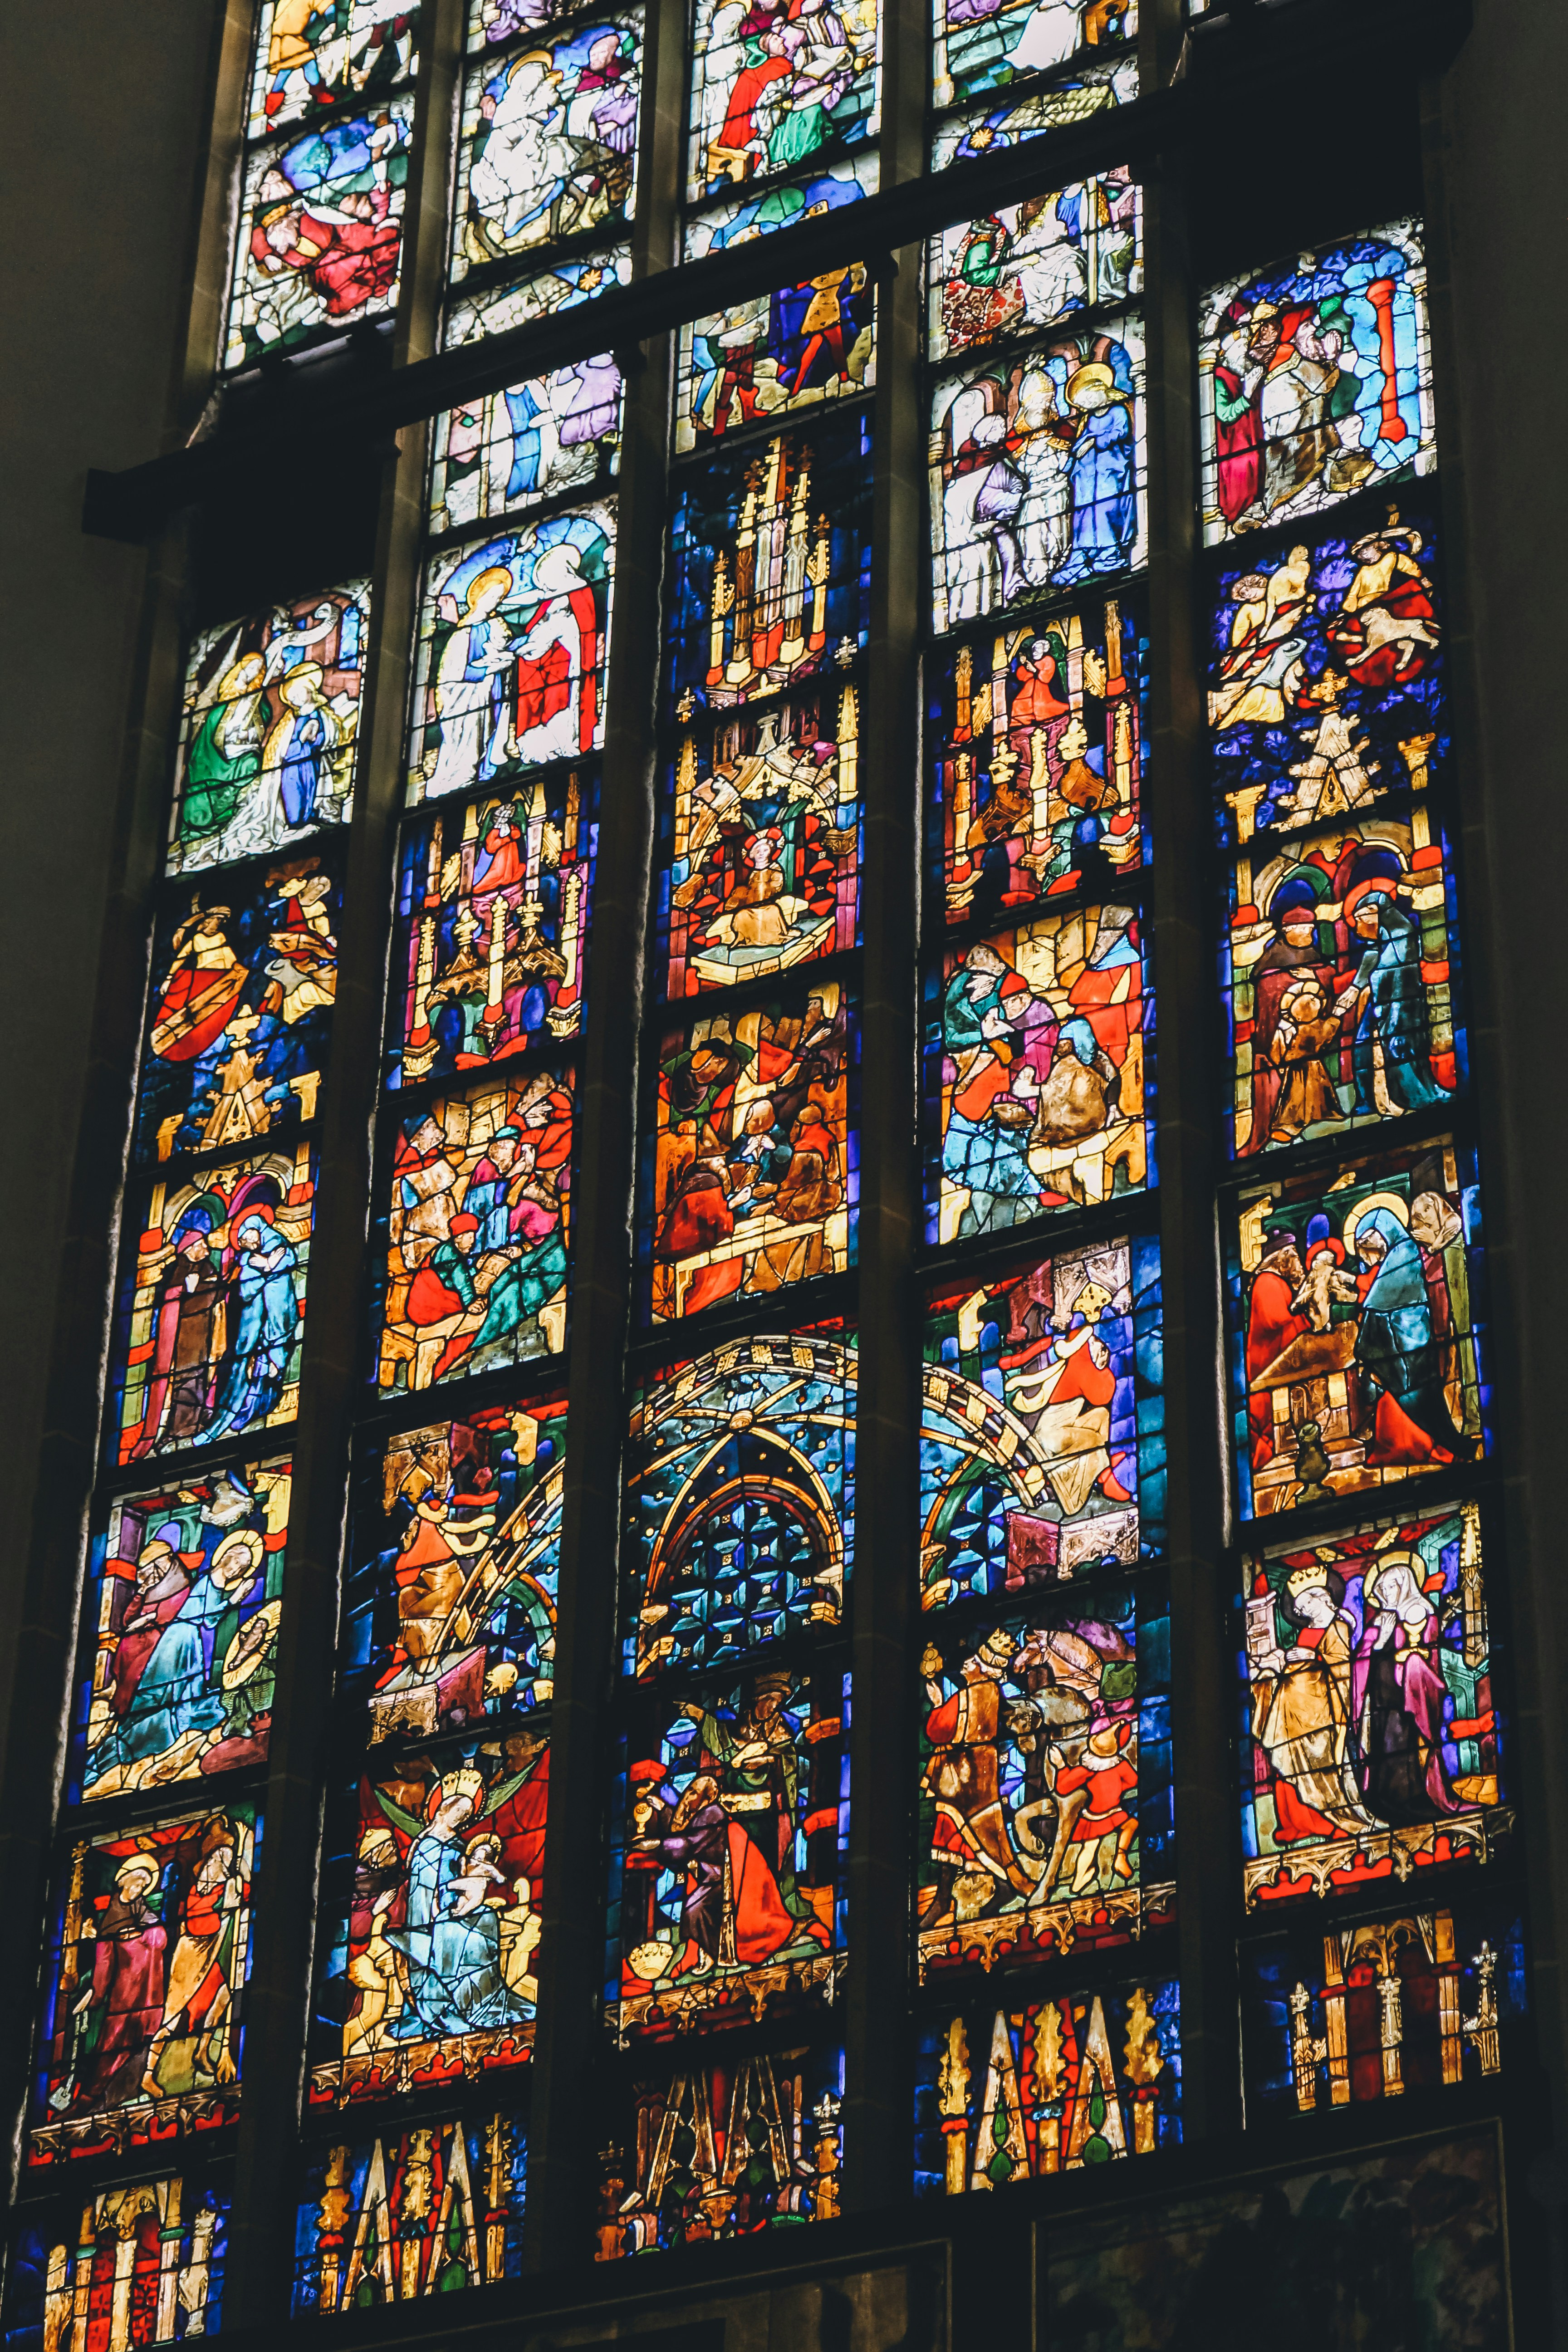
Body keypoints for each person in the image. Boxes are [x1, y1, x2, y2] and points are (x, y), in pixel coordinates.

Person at [1252, 1570, 1376, 1841]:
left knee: (1319, 1766)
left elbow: (1344, 1670)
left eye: (1307, 1602)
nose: (1305, 1611)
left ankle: (1326, 1822)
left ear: (1323, 1597)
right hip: (1293, 1713)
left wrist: (1314, 1655)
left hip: (1323, 1714)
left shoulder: (1339, 1627)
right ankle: (1294, 1823)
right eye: (1300, 1608)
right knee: (1287, 1761)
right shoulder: (1307, 1632)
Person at [1352, 1205, 1466, 1466]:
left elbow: (1379, 1303)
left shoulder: (1404, 1252)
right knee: (1418, 1402)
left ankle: (1446, 1447)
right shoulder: (1396, 1254)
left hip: (1411, 1339)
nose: (1373, 1251)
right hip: (1400, 1341)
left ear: (1384, 1230)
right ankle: (1444, 1446)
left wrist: (1367, 1340)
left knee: (1422, 1400)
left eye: (1371, 1241)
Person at [1351, 1554, 1460, 1823]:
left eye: (1392, 1586)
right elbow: (1361, 1662)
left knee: (1409, 1745)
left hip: (1412, 1699)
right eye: (1382, 1588)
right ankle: (1385, 1800)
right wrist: (1381, 1642)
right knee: (1386, 1747)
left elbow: (1431, 1656)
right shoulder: (1380, 1621)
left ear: (1407, 1584)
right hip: (1383, 1701)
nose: (1387, 1593)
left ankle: (1417, 1796)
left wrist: (1411, 1662)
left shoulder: (1426, 1614)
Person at [142, 1821, 246, 2097]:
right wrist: (231, 1890)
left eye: (226, 1860)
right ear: (208, 1862)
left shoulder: (223, 1887)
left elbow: (245, 1894)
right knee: (172, 2015)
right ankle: (148, 2074)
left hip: (210, 1952)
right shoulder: (197, 1893)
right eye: (218, 1859)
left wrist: (239, 1879)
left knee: (224, 1996)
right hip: (191, 1955)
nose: (222, 1864)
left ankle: (202, 2050)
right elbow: (201, 1924)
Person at [65, 1853, 167, 2112]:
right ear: (123, 1881)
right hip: (123, 1992)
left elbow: (160, 1938)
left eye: (143, 1885)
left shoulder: (142, 1910)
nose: (139, 1888)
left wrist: (141, 1936)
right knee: (111, 2042)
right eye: (136, 1882)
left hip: (145, 1989)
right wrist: (95, 1994)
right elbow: (105, 1957)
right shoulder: (111, 1914)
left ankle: (125, 2092)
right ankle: (91, 2096)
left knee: (138, 2040)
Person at [1333, 882, 1443, 1116]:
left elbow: (1390, 969)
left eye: (1361, 920)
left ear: (1376, 913)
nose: (1358, 928)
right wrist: (1355, 989)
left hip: (1402, 1005)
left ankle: (1409, 1098)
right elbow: (1371, 961)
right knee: (1362, 1046)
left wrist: (1367, 987)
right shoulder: (1380, 938)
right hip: (1381, 1002)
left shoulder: (1401, 933)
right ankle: (1370, 1101)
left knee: (1397, 1046)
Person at [134, 1210, 225, 1455]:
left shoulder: (207, 1268)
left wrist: (201, 1289)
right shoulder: (178, 1270)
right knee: (184, 1381)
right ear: (189, 1249)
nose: (206, 1249)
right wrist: (186, 1291)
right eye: (201, 1245)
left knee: (199, 1379)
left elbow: (216, 1294)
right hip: (180, 1340)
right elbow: (173, 1302)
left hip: (203, 1335)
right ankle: (179, 1428)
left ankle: (196, 1422)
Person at [206, 1209, 300, 1439]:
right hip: (255, 1325)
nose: (248, 1245)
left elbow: (290, 1259)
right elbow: (246, 1291)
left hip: (280, 1316)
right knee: (255, 1367)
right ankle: (247, 1411)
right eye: (244, 1244)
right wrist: (267, 1268)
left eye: (249, 1240)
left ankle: (264, 1405)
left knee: (274, 1366)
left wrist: (268, 1266)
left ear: (256, 1231)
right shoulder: (249, 1261)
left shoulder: (276, 1242)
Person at [428, 566, 517, 800]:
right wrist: (490, 668)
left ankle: (484, 771)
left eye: (500, 598)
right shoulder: (463, 633)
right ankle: (458, 777)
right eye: (492, 596)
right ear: (480, 597)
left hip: (491, 691)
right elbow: (456, 672)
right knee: (468, 742)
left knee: (488, 734)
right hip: (466, 698)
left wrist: (504, 662)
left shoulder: (494, 625)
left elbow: (505, 648)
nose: (495, 602)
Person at [1059, 362, 1136, 583]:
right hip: (1088, 476)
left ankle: (1109, 553)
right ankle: (1085, 553)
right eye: (1084, 404)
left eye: (1090, 399)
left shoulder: (1118, 410)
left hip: (1110, 471)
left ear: (1101, 389)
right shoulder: (1090, 419)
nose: (1089, 405)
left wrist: (1095, 440)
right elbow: (1082, 440)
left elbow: (1121, 433)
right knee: (1084, 514)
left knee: (1105, 509)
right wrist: (1076, 454)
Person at [181, 656, 265, 846]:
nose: (254, 672)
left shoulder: (256, 701)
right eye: (251, 667)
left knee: (253, 763)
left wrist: (248, 734)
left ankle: (230, 808)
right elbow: (214, 735)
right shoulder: (221, 708)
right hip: (214, 759)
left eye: (258, 669)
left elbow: (259, 726)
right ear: (241, 667)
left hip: (240, 754)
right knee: (200, 794)